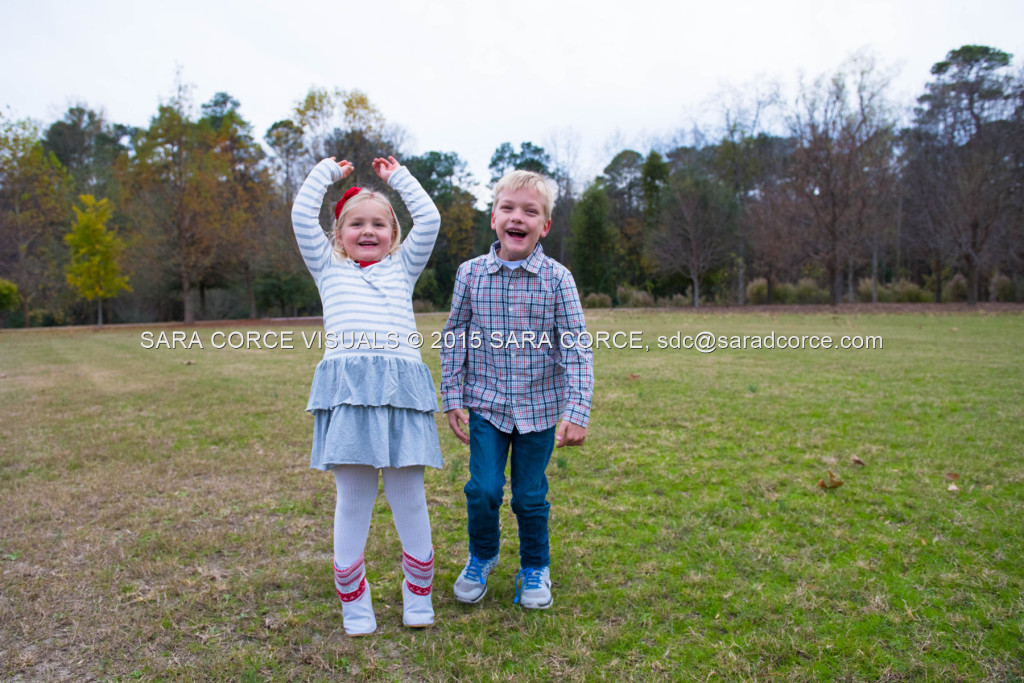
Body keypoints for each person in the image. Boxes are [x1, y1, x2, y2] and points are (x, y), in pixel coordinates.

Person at [291, 155, 441, 636]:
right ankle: (354, 601)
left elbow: (431, 218)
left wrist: (396, 179)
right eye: (356, 224)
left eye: (380, 224)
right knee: (353, 497)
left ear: (394, 235)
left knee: (408, 497)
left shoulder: (402, 268)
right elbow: (300, 214)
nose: (369, 231)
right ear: (339, 235)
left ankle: (418, 593)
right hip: (350, 396)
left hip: (400, 395)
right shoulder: (327, 267)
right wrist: (326, 175)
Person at [440, 169, 594, 610]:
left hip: (539, 410)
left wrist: (577, 409)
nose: (517, 217)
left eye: (530, 211)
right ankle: (482, 556)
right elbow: (455, 335)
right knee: (484, 489)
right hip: (486, 405)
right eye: (508, 208)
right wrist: (452, 397)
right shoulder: (470, 275)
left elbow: (577, 349)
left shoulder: (558, 279)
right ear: (494, 218)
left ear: (544, 226)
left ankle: (534, 568)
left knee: (529, 496)